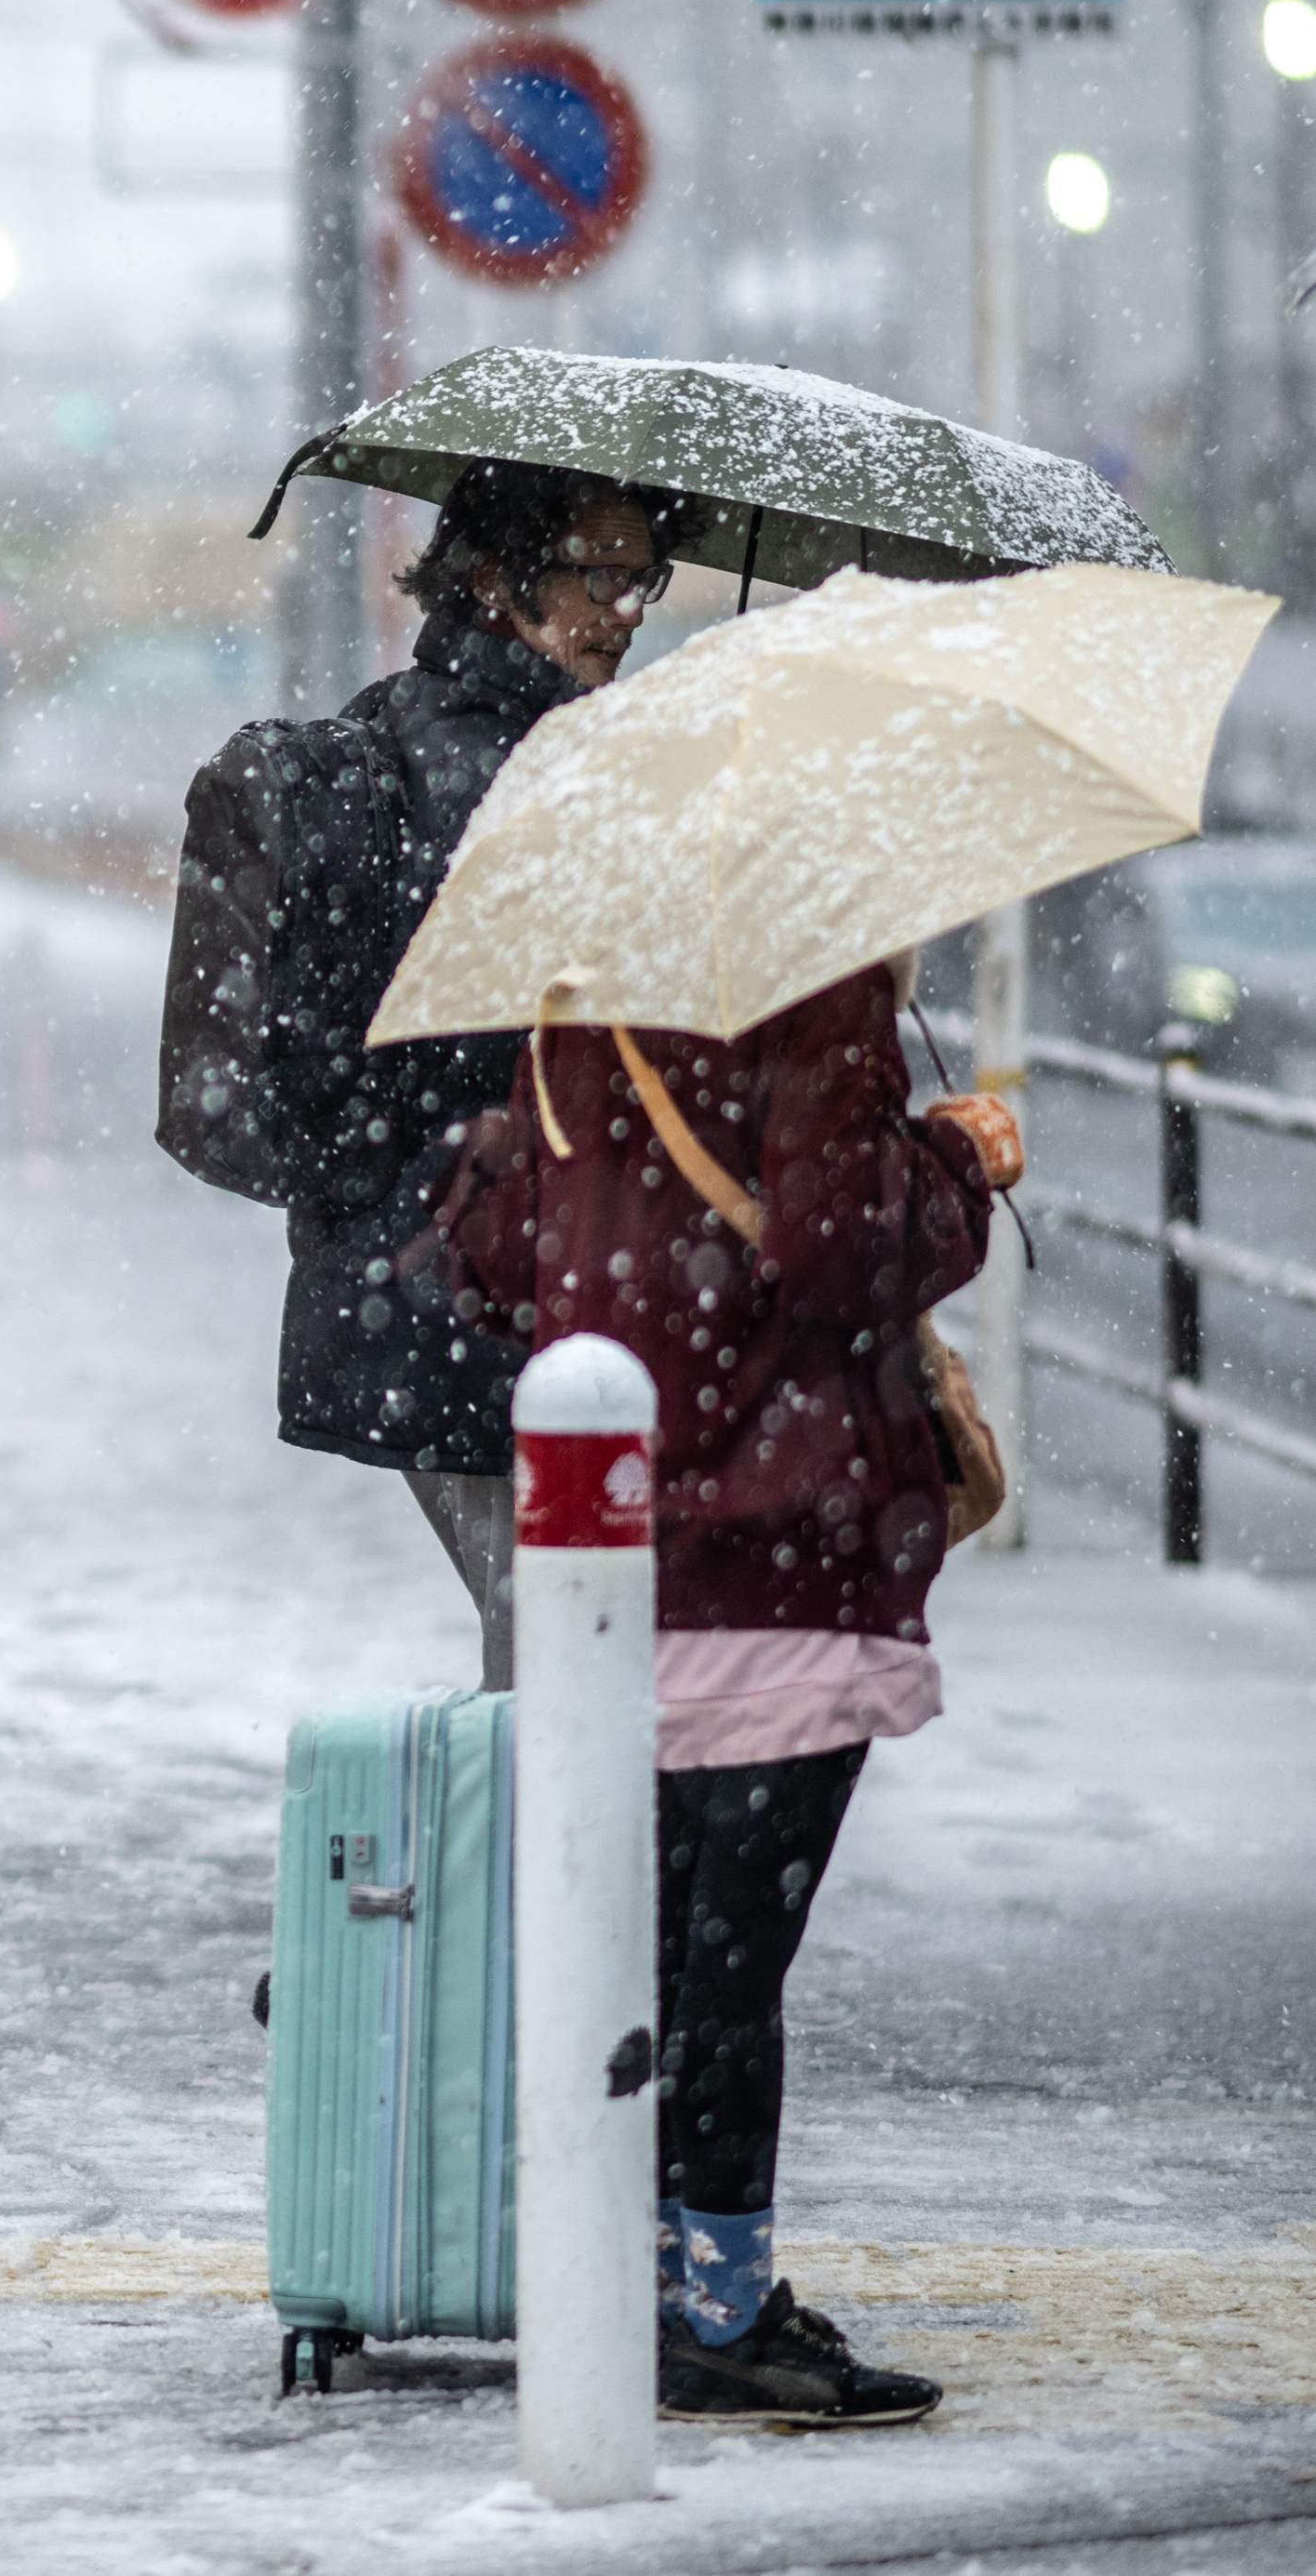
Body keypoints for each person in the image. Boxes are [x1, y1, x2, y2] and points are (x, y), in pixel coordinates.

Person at [440, 966, 1019, 2427]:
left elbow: (493, 1243)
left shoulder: (574, 999)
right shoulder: (809, 990)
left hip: (624, 1540)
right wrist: (960, 1159)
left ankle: (626, 2272)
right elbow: (841, 1251)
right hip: (784, 1533)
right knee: (730, 1959)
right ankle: (717, 2306)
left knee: (644, 1938)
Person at [252, 459, 675, 1692]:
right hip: (483, 1287)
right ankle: (527, 1883)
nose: (628, 606)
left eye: (641, 573)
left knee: (554, 1650)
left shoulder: (548, 750)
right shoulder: (504, 773)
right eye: (598, 573)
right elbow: (419, 1056)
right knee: (566, 1659)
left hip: (478, 1283)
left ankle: (528, 1879)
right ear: (495, 581)